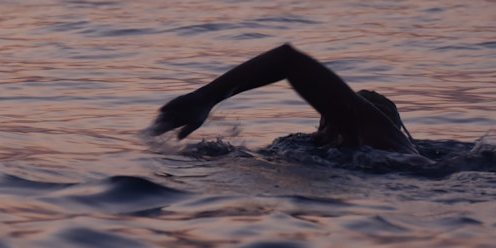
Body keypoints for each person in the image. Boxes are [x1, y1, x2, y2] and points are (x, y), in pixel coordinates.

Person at [151, 44, 418, 154]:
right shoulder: (388, 148)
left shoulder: (365, 129)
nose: (322, 132)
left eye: (327, 118)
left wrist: (204, 98)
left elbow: (287, 59)